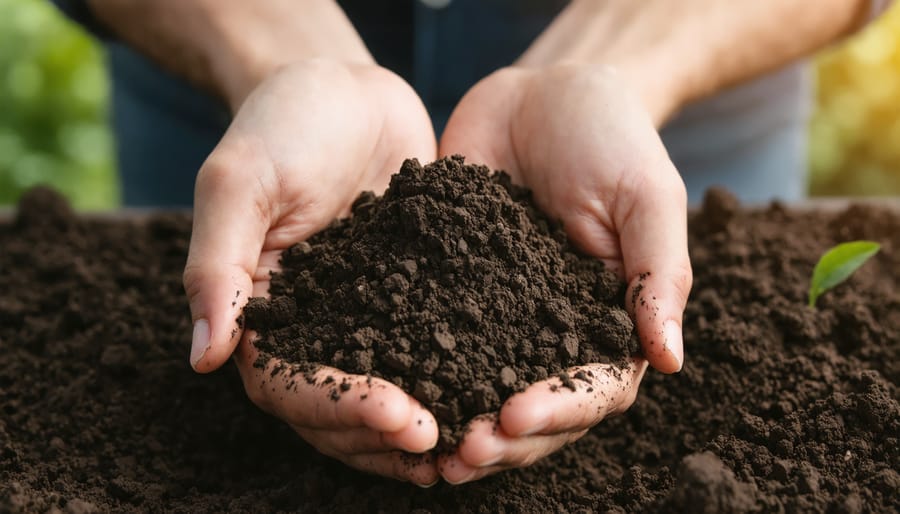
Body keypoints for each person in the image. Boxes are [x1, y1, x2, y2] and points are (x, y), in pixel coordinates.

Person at [52, 0, 891, 486]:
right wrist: (291, 62)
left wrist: (615, 75)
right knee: (219, 280)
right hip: (238, 93)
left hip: (675, 98)